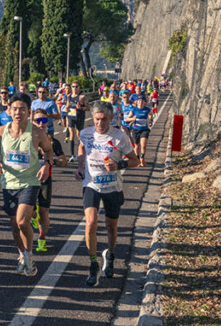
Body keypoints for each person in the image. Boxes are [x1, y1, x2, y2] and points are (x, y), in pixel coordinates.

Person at [77, 101, 139, 286]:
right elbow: (81, 148)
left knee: (111, 226)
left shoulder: (120, 137)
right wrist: (81, 167)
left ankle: (110, 255)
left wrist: (118, 165)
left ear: (110, 119)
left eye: (104, 120)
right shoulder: (86, 134)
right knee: (90, 223)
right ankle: (93, 264)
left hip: (113, 187)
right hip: (91, 185)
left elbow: (135, 161)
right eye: (96, 119)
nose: (100, 123)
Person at [0, 94, 54, 278]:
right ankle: (23, 255)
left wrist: (46, 165)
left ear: (29, 111)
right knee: (14, 224)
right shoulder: (1, 131)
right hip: (8, 182)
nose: (18, 113)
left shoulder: (37, 132)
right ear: (9, 110)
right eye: (15, 109)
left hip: (30, 182)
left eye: (22, 109)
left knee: (21, 220)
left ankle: (29, 255)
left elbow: (49, 151)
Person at [30, 109, 68, 254]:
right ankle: (34, 214)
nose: (41, 124)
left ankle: (42, 239)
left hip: (45, 180)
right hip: (28, 181)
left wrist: (59, 161)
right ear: (31, 122)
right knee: (31, 212)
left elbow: (63, 160)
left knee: (44, 211)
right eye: (37, 120)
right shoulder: (26, 139)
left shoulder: (53, 141)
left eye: (44, 121)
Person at [127, 93, 154, 166]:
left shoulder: (147, 109)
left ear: (145, 102)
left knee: (143, 144)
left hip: (144, 129)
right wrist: (132, 118)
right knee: (137, 146)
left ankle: (142, 158)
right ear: (136, 102)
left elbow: (151, 114)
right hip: (136, 129)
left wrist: (151, 120)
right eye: (139, 101)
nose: (140, 102)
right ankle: (137, 159)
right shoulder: (134, 109)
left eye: (142, 101)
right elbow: (127, 118)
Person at [65, 81, 90, 158]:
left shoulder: (82, 97)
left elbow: (88, 108)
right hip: (71, 117)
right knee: (71, 134)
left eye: (76, 87)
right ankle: (72, 154)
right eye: (73, 87)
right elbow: (68, 105)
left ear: (79, 87)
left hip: (79, 117)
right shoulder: (69, 96)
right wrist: (66, 108)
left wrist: (81, 108)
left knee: (79, 134)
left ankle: (80, 152)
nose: (75, 88)